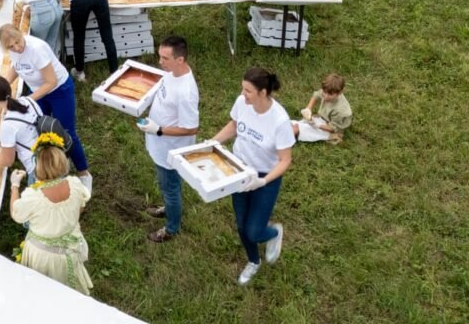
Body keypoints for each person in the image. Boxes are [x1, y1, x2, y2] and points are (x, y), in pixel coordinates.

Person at [212, 67, 295, 285]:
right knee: (242, 226)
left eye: (247, 91)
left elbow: (285, 160)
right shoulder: (242, 103)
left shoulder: (280, 121)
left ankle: (273, 233)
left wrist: (262, 181)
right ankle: (253, 261)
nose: (242, 94)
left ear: (263, 92)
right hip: (239, 170)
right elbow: (234, 125)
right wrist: (212, 142)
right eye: (243, 89)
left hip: (266, 177)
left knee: (254, 230)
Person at [0, 24, 91, 192]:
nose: (17, 48)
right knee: (38, 131)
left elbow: (51, 82)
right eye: (11, 47)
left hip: (59, 90)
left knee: (66, 132)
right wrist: (2, 87)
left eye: (18, 43)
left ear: (21, 35)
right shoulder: (13, 51)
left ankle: (84, 173)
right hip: (38, 92)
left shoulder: (37, 49)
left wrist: (27, 101)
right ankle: (51, 169)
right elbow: (16, 68)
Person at [9, 135, 92, 294]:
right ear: (62, 161)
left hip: (43, 256)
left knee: (40, 292)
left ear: (38, 166)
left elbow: (16, 213)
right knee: (67, 294)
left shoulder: (34, 196)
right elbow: (81, 207)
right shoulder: (75, 184)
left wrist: (14, 185)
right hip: (69, 248)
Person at [137, 36, 200, 243]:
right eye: (159, 56)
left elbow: (191, 128)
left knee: (170, 187)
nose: (160, 62)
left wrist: (160, 130)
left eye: (165, 58)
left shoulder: (186, 92)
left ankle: (171, 228)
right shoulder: (171, 73)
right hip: (158, 142)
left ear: (180, 60)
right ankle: (168, 207)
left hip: (170, 150)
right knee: (167, 185)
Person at [0, 75, 42, 179]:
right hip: (53, 153)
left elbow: (7, 160)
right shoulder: (28, 100)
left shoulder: (8, 124)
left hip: (38, 167)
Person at [293, 73, 353, 143]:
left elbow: (333, 128)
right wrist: (308, 109)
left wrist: (317, 125)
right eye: (324, 92)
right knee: (295, 124)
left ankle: (333, 136)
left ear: (339, 93)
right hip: (323, 118)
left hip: (332, 125)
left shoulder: (341, 111)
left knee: (305, 130)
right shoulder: (327, 90)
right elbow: (316, 95)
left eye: (330, 94)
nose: (325, 96)